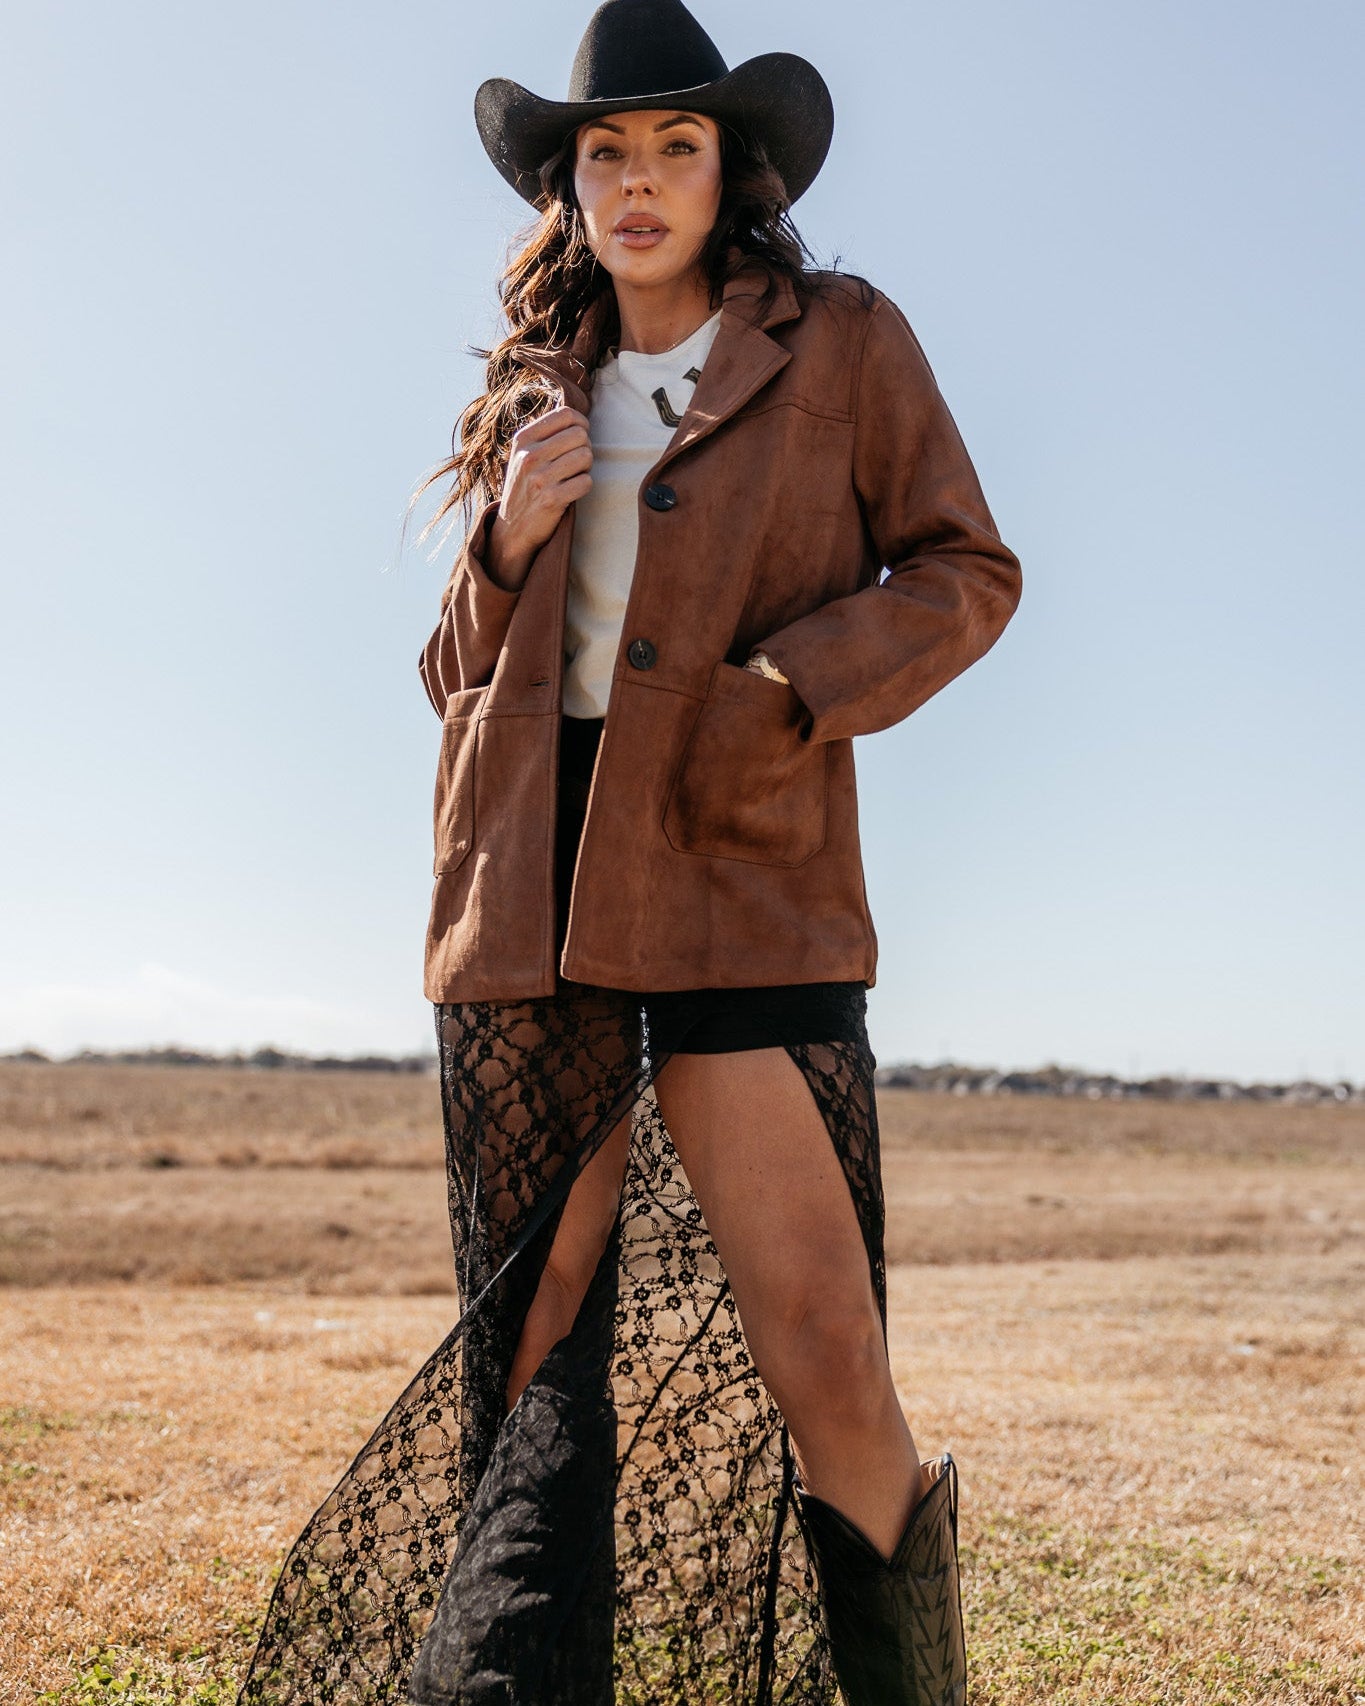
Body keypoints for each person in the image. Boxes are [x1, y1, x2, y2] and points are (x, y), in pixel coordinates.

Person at [233, 3, 1021, 1703]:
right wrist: (510, 535)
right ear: (567, 186)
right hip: (523, 896)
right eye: (607, 152)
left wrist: (783, 688)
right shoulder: (530, 384)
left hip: (741, 868)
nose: (639, 180)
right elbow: (453, 671)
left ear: (731, 174)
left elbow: (966, 570)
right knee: (532, 1360)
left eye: (676, 147)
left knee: (825, 1343)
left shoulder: (846, 342)